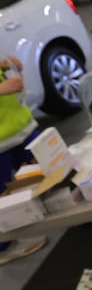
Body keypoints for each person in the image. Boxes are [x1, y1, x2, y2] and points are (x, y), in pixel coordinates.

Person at [0, 56, 47, 265]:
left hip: (21, 128)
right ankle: (4, 248)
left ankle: (67, 209)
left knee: (48, 171)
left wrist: (12, 70)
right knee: (2, 195)